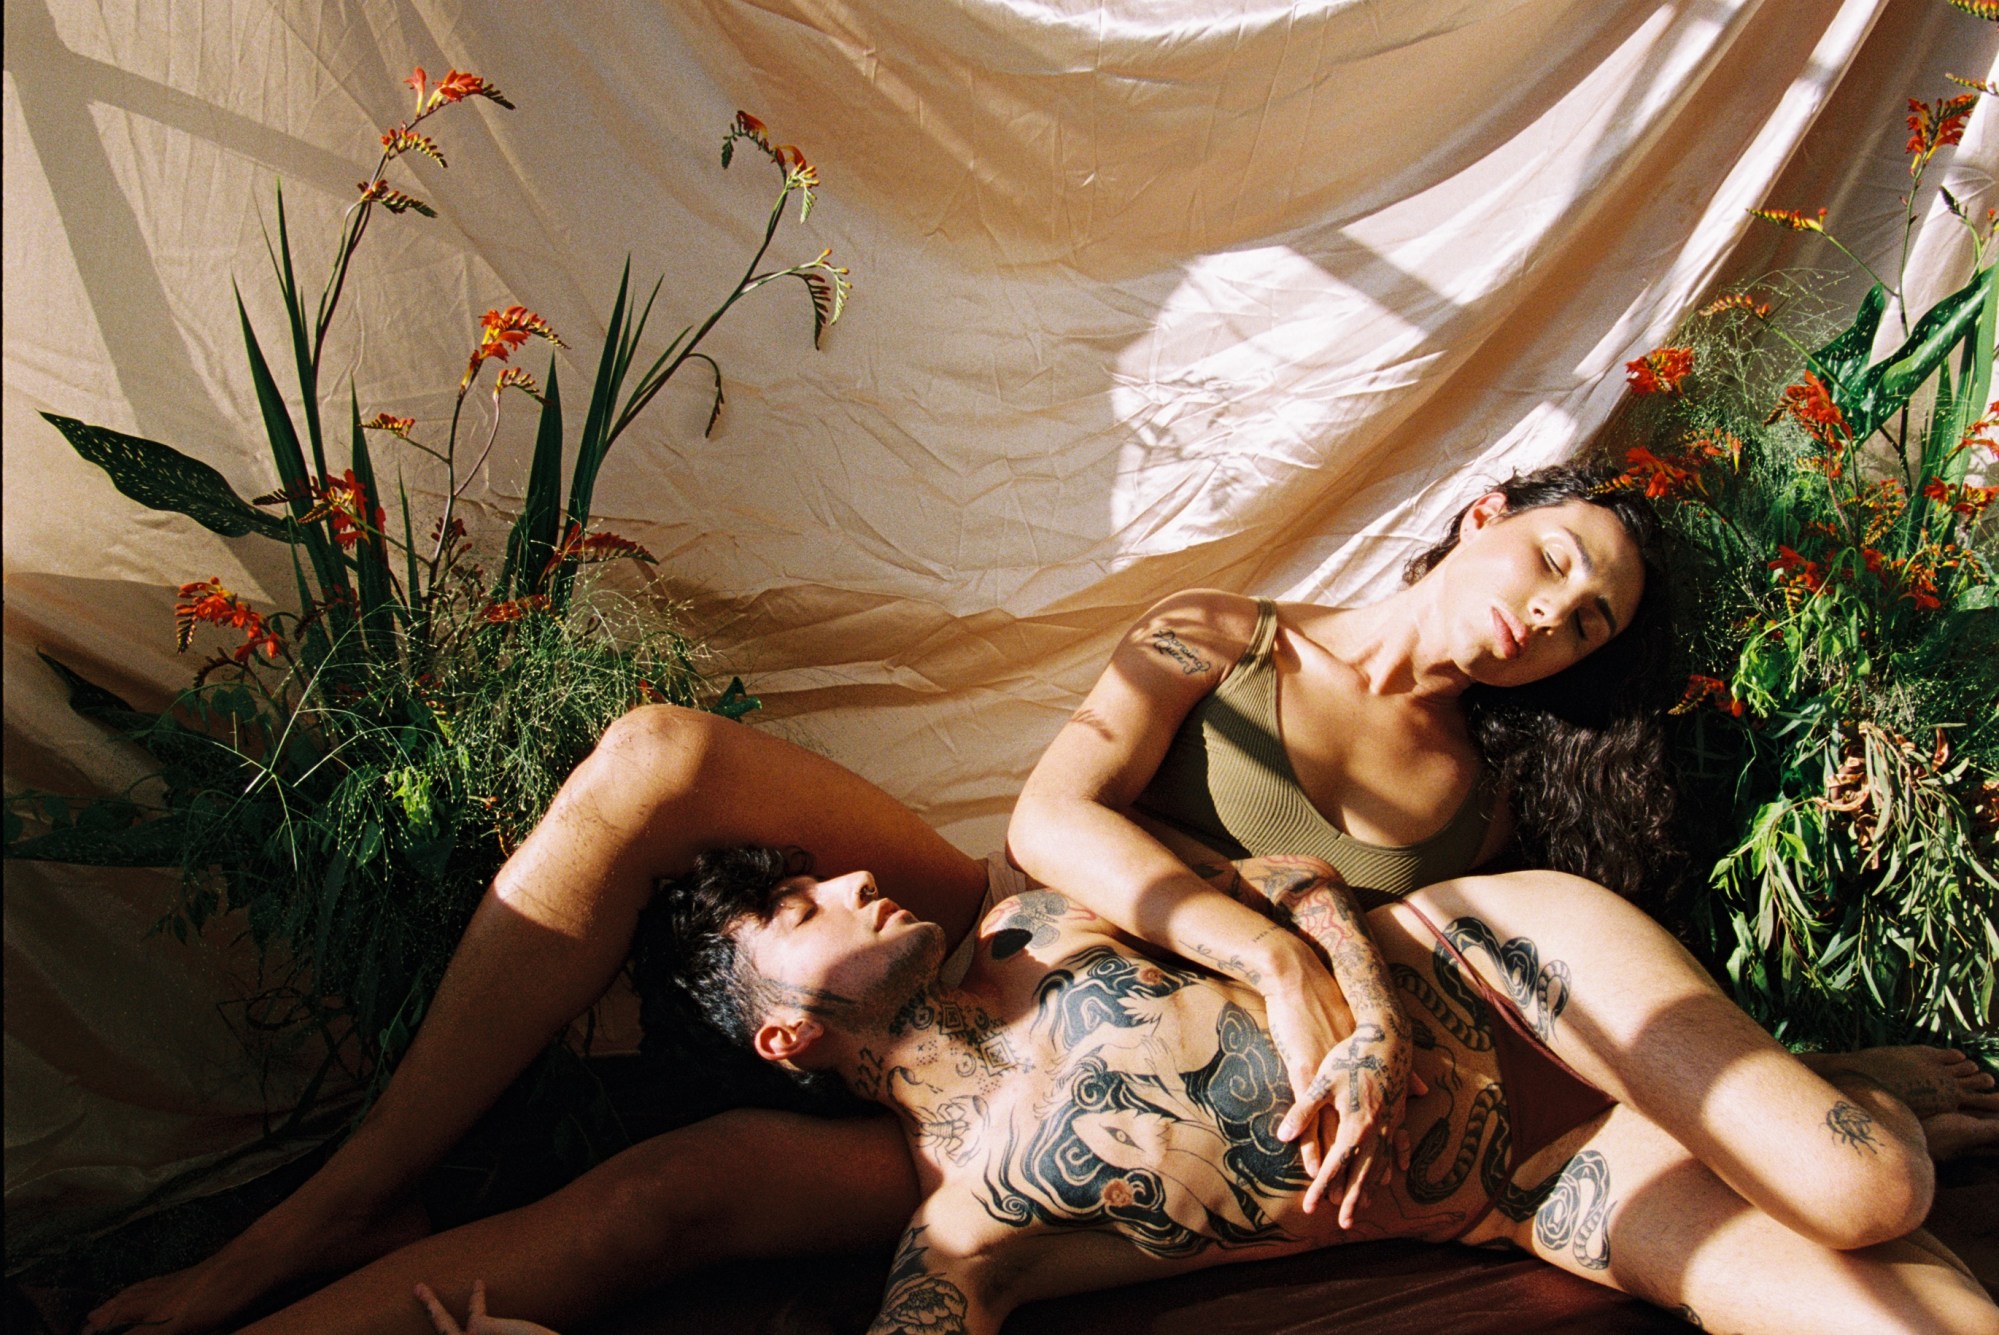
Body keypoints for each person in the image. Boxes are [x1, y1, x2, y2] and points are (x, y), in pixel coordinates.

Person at [84, 467, 1999, 1335]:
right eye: (1560, 563)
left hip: (1249, 1067)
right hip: (1020, 942)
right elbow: (1055, 815)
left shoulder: (1502, 795)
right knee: (661, 761)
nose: (1554, 618)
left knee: (672, 1202)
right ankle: (334, 1212)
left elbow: (1533, 1001)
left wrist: (1338, 965)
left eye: (1587, 627)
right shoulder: (1221, 630)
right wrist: (1261, 933)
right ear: (1483, 511)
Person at [590, 844, 1996, 1335]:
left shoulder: (1036, 916)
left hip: (1499, 965)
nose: (846, 879)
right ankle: (1748, 1100)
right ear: (785, 1037)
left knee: (1868, 1182)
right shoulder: (962, 1232)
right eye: (795, 906)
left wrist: (1360, 998)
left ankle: (1814, 1085)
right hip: (1534, 1192)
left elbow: (1272, 879)